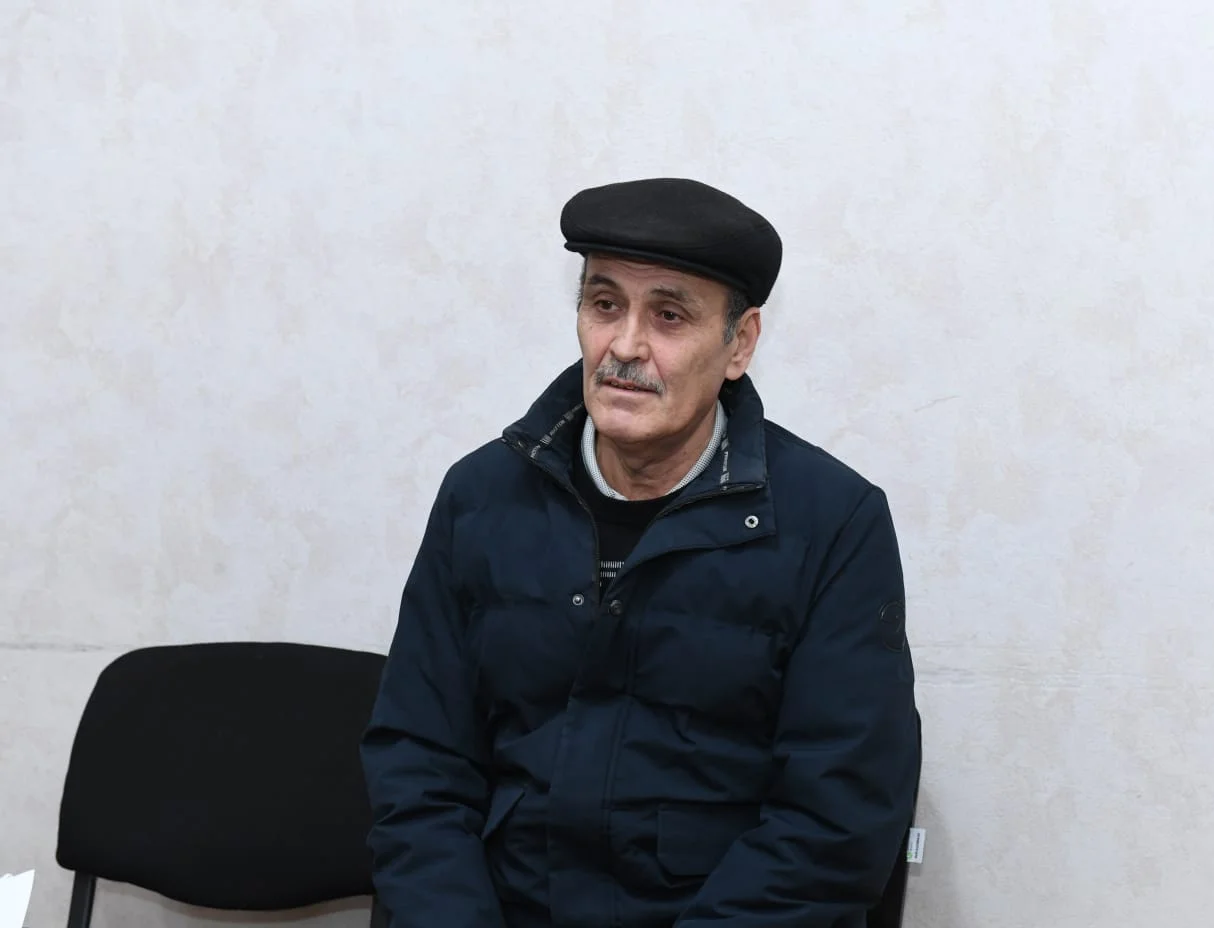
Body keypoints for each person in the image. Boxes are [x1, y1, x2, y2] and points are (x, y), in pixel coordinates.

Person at [361, 177, 921, 928]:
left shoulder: (834, 523)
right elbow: (418, 763)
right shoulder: (483, 497)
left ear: (739, 344)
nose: (625, 346)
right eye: (604, 304)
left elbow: (836, 822)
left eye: (669, 315)